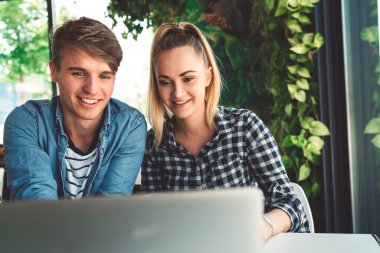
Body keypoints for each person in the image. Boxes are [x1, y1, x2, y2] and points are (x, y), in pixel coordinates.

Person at [141, 22, 310, 241]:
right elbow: (153, 220)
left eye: (188, 78)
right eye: (165, 82)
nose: (177, 92)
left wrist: (265, 226)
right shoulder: (155, 143)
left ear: (208, 76)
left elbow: (290, 202)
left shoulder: (245, 127)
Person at [3, 17, 147, 200]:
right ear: (54, 71)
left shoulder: (129, 127)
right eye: (79, 73)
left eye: (104, 76)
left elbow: (109, 212)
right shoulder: (27, 121)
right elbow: (39, 207)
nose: (92, 89)